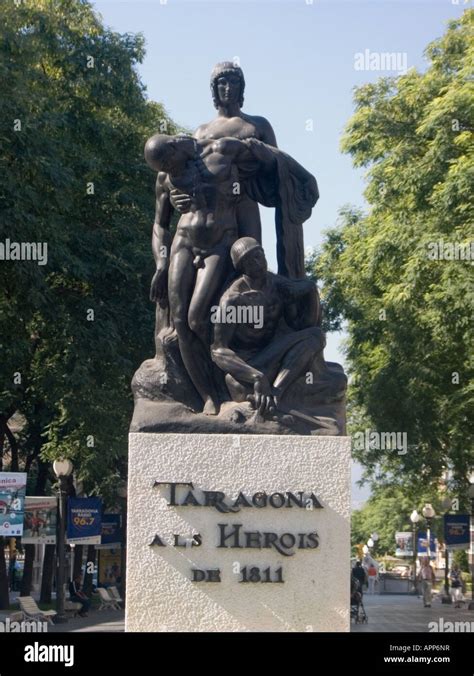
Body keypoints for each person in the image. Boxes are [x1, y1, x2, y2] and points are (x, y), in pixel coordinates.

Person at [211, 237, 324, 417]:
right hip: (248, 364)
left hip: (272, 355)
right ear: (242, 267)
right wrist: (256, 376)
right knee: (237, 386)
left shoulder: (276, 283)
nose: (259, 262)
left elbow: (301, 326)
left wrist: (311, 292)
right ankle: (262, 392)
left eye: (260, 255)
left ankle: (277, 393)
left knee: (315, 336)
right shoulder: (233, 299)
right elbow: (218, 351)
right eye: (251, 260)